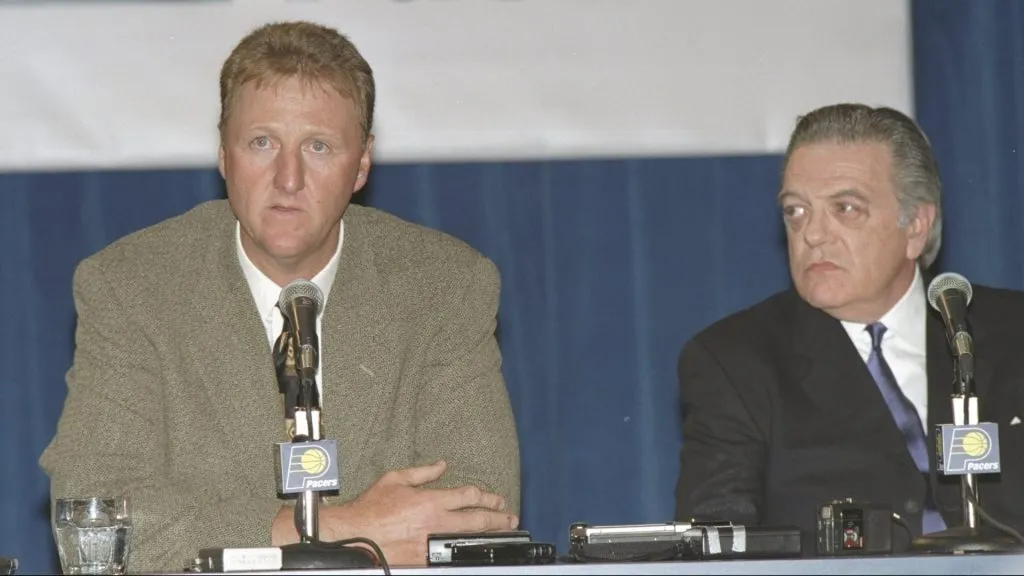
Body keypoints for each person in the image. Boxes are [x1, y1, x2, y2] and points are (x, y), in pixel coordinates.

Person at [40, 21, 520, 572]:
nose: (288, 178)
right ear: (224, 154)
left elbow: (482, 510)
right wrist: (337, 529)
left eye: (318, 146)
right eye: (262, 143)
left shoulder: (443, 285)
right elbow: (96, 512)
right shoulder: (134, 286)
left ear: (362, 163)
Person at [674, 103, 1024, 553]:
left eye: (845, 208)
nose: (813, 234)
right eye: (796, 211)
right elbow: (714, 549)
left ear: (916, 226)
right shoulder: (736, 362)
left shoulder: (1011, 332)